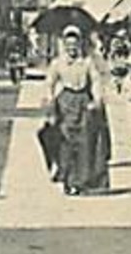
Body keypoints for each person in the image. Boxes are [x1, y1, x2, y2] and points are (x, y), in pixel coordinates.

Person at [44, 25, 107, 195]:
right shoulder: (57, 63)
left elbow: (95, 81)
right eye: (68, 45)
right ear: (64, 45)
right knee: (65, 143)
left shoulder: (87, 62)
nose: (72, 48)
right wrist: (50, 103)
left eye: (75, 44)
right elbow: (49, 82)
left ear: (80, 44)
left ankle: (80, 180)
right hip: (65, 102)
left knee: (84, 143)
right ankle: (67, 179)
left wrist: (96, 100)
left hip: (83, 102)